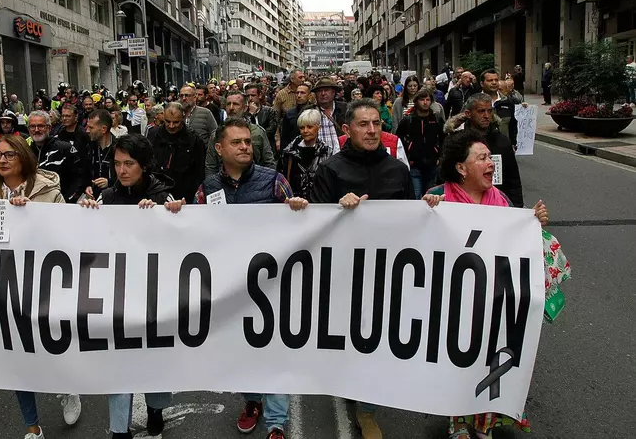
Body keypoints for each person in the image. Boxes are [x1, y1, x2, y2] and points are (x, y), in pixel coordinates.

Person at [169, 119, 307, 439]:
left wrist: (299, 209)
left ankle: (276, 422)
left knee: (274, 351)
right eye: (237, 142)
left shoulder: (274, 181)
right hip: (231, 287)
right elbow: (197, 234)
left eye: (247, 141)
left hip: (271, 286)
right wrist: (178, 213)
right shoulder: (207, 189)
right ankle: (252, 400)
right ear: (219, 149)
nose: (245, 146)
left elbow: (301, 227)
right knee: (240, 350)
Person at [422, 128, 547, 439]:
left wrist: (534, 221)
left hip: (495, 301)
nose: (491, 163)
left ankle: (484, 423)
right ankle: (457, 422)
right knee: (456, 363)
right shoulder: (438, 196)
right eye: (482, 158)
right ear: (461, 168)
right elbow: (418, 244)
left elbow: (517, 244)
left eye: (490, 157)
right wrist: (424, 212)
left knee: (492, 360)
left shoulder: (501, 200)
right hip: (454, 303)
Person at [310, 100, 414, 439]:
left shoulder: (398, 171)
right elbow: (315, 224)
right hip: (345, 274)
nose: (371, 130)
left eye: (376, 124)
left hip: (387, 273)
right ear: (347, 129)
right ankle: (349, 384)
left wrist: (431, 207)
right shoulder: (330, 170)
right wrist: (338, 210)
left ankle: (367, 410)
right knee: (351, 338)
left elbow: (413, 222)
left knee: (378, 339)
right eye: (363, 124)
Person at [0, 133, 80, 438]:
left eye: (9, 155)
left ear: (24, 157)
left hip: (45, 284)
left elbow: (65, 234)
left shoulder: (48, 190)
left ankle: (68, 389)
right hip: (5, 287)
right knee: (17, 357)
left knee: (53, 347)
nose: (2, 160)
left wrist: (30, 213)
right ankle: (32, 426)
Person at [79, 134, 174, 439]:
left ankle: (156, 409)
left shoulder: (163, 196)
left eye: (129, 163)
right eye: (117, 163)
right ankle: (119, 429)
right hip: (116, 296)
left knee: (153, 358)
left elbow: (180, 241)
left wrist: (164, 215)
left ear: (144, 165)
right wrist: (85, 215)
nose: (121, 170)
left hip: (154, 296)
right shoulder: (106, 198)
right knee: (118, 360)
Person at [445, 93, 524, 207]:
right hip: (462, 205)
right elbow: (445, 176)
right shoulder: (456, 141)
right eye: (481, 111)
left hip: (497, 205)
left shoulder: (502, 141)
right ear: (468, 114)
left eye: (489, 111)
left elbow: (513, 180)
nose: (486, 115)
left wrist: (518, 209)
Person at [205, 93, 275, 177]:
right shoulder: (217, 134)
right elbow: (211, 167)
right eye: (228, 104)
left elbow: (269, 163)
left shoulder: (258, 132)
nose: (231, 108)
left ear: (245, 108)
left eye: (235, 104)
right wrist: (213, 184)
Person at [147, 102, 206, 202]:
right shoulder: (153, 135)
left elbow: (200, 171)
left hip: (184, 196)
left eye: (176, 122)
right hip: (157, 193)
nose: (171, 126)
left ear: (183, 118)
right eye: (167, 121)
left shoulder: (194, 140)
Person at [27, 111, 86, 202]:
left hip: (61, 203)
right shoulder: (26, 152)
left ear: (49, 128)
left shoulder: (64, 148)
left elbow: (79, 178)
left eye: (41, 126)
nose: (36, 130)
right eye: (32, 126)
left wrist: (67, 201)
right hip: (33, 204)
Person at [395, 90, 445, 198]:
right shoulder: (408, 120)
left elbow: (443, 138)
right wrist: (406, 157)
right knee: (416, 195)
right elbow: (399, 140)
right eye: (422, 99)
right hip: (414, 164)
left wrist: (440, 156)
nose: (425, 102)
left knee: (431, 196)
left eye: (428, 100)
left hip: (432, 163)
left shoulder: (436, 119)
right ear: (416, 101)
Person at [278, 109, 333, 201]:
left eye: (309, 127)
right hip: (293, 203)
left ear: (319, 128)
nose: (305, 131)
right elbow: (281, 181)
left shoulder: (327, 152)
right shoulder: (288, 153)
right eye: (302, 127)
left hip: (319, 203)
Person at [479, 69, 517, 148]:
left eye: (496, 80)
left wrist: (513, 143)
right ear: (482, 84)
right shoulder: (474, 101)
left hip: (504, 148)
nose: (494, 82)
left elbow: (512, 125)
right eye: (490, 80)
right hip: (481, 148)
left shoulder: (507, 102)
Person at [85, 109, 116, 199]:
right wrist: (87, 186)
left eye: (91, 128)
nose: (87, 130)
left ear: (103, 129)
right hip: (93, 197)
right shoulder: (89, 146)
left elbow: (128, 177)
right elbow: (84, 171)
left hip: (114, 198)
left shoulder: (119, 149)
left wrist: (110, 182)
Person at [312, 76, 346, 155]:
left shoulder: (345, 109)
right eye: (319, 91)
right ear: (315, 94)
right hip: (317, 158)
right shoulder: (309, 112)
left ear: (333, 92)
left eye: (327, 90)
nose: (323, 93)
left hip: (342, 157)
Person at [244, 83, 278, 151]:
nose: (250, 98)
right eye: (248, 96)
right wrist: (251, 114)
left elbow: (270, 131)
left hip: (267, 148)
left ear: (259, 95)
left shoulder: (269, 111)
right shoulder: (244, 113)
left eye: (253, 95)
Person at [280, 84, 315, 149]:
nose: (299, 96)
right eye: (297, 93)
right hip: (294, 149)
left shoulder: (315, 112)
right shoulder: (289, 114)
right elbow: (284, 137)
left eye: (302, 93)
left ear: (309, 95)